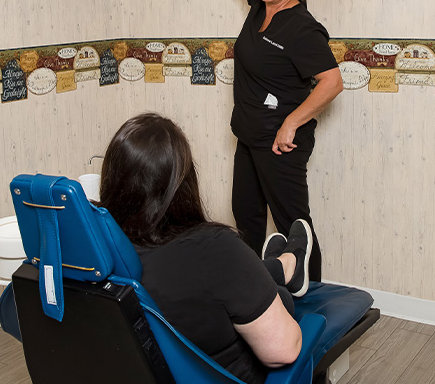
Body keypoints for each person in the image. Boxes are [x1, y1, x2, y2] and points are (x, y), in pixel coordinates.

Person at [184, 0, 344, 281]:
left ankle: (314, 295)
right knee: (247, 218)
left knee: (294, 226)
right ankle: (253, 292)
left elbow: (332, 82)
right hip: (250, 135)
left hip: (280, 141)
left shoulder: (303, 28)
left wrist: (292, 123)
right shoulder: (259, 4)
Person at [99, 113, 314, 384]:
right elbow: (284, 351)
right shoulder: (214, 249)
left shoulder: (94, 250)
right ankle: (288, 263)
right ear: (182, 183)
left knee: (238, 277)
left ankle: (283, 264)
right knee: (279, 298)